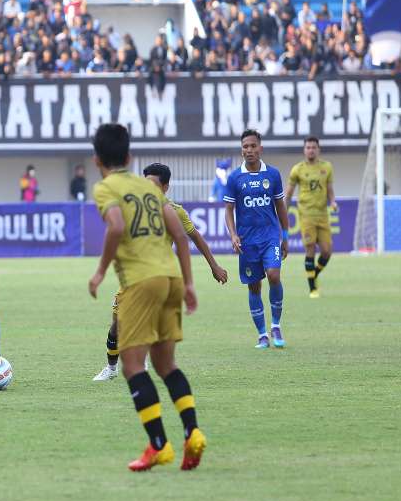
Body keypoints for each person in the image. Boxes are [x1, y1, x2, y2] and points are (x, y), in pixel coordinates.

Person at [88, 124, 206, 472]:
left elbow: (116, 226)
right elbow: (181, 237)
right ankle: (192, 432)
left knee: (133, 366)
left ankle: (158, 445)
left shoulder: (106, 187)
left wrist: (99, 272)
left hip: (140, 282)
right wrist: (188, 283)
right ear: (129, 157)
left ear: (97, 160)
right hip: (170, 278)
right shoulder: (149, 188)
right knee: (166, 365)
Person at [93, 162, 228, 382]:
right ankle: (111, 368)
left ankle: (142, 363)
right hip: (131, 276)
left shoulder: (174, 211)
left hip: (158, 276)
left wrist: (214, 266)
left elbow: (194, 238)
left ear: (166, 187)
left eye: (154, 184)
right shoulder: (133, 206)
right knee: (116, 325)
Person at [223, 129, 290, 349]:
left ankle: (276, 325)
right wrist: (233, 234)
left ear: (260, 148)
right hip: (247, 241)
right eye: (245, 146)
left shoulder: (272, 175)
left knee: (273, 275)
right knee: (254, 286)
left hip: (270, 237)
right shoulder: (234, 177)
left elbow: (280, 206)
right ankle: (262, 334)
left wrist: (285, 236)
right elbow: (229, 209)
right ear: (241, 150)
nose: (249, 150)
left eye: (253, 146)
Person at [285, 136, 336, 298]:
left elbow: (329, 189)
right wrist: (283, 211)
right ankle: (312, 288)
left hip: (323, 215)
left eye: (313, 147)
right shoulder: (297, 169)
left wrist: (333, 201)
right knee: (311, 248)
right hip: (306, 214)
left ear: (318, 149)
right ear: (304, 150)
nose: (311, 150)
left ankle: (313, 274)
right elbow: (288, 194)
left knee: (327, 252)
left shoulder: (327, 167)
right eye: (308, 147)